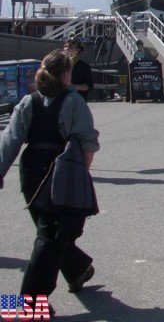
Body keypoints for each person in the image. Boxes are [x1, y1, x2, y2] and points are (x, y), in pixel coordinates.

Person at [0, 49, 100, 307]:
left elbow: (10, 140)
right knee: (51, 236)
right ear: (66, 74)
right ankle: (29, 305)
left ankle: (78, 270)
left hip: (31, 172)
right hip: (62, 171)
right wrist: (82, 174)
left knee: (51, 232)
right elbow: (87, 142)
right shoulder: (73, 101)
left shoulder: (27, 102)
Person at [65, 36, 93, 102]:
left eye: (70, 47)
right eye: (66, 46)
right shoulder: (60, 63)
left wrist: (74, 86)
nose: (67, 49)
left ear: (77, 50)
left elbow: (89, 86)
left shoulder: (84, 66)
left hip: (78, 100)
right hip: (63, 100)